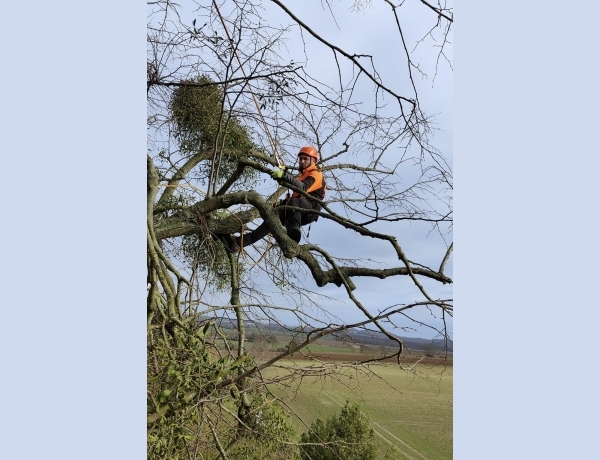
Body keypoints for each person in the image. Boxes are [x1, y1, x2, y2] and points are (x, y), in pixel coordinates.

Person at [226, 145, 326, 250]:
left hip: (311, 210)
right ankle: (239, 243)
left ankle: (294, 233)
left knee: (294, 203)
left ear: (313, 160)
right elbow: (296, 195)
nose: (302, 161)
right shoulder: (302, 176)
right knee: (272, 219)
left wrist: (284, 176)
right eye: (300, 159)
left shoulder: (316, 174)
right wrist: (281, 203)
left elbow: (303, 187)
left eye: (305, 159)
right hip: (297, 210)